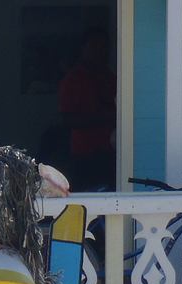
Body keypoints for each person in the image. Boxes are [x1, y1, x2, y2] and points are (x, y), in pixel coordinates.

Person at [58, 27, 116, 192]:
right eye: (94, 46)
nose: (100, 52)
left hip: (111, 153)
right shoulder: (73, 80)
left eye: (103, 47)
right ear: (83, 49)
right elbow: (67, 120)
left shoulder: (111, 77)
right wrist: (104, 118)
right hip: (84, 154)